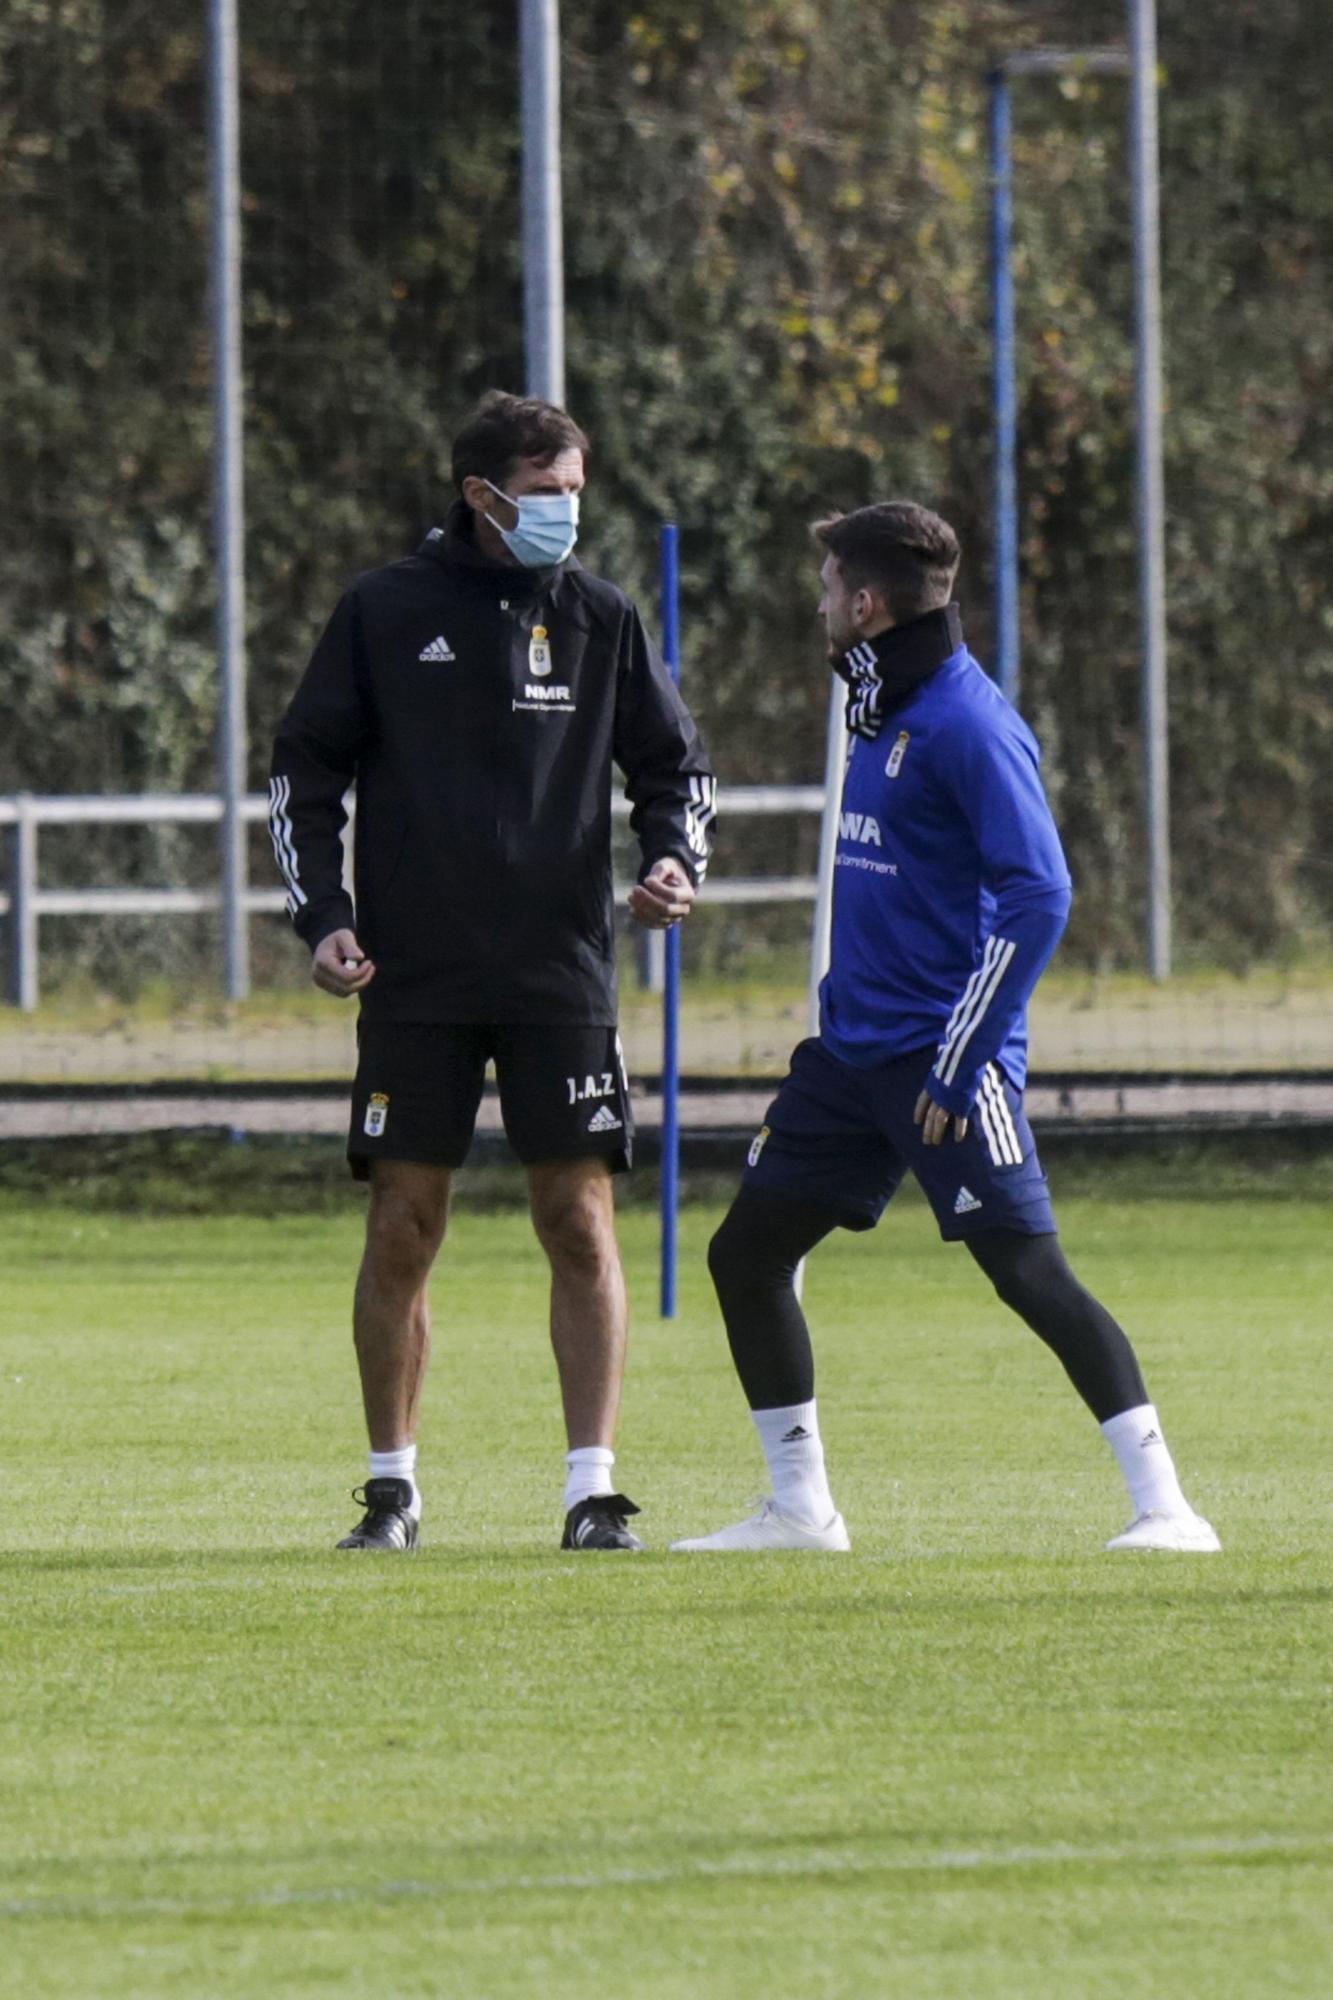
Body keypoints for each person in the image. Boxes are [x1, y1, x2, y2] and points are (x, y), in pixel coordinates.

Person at [671, 501, 1218, 1556]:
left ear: (867, 604)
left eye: (831, 585)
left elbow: (1040, 893)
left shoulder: (970, 722)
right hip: (848, 1058)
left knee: (1028, 1272)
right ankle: (800, 1509)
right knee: (745, 1254)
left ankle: (1167, 1507)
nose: (821, 600)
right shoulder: (875, 706)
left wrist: (967, 1053)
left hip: (944, 1059)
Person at [270, 389, 715, 1553]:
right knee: (404, 1223)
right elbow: (301, 774)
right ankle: (391, 1486)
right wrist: (322, 913)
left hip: (558, 971)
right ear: (481, 496)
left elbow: (675, 769)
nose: (567, 513)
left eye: (577, 492)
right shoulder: (380, 611)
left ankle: (590, 1487)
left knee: (577, 1217)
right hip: (410, 973)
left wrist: (672, 858)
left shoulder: (600, 617)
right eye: (545, 494)